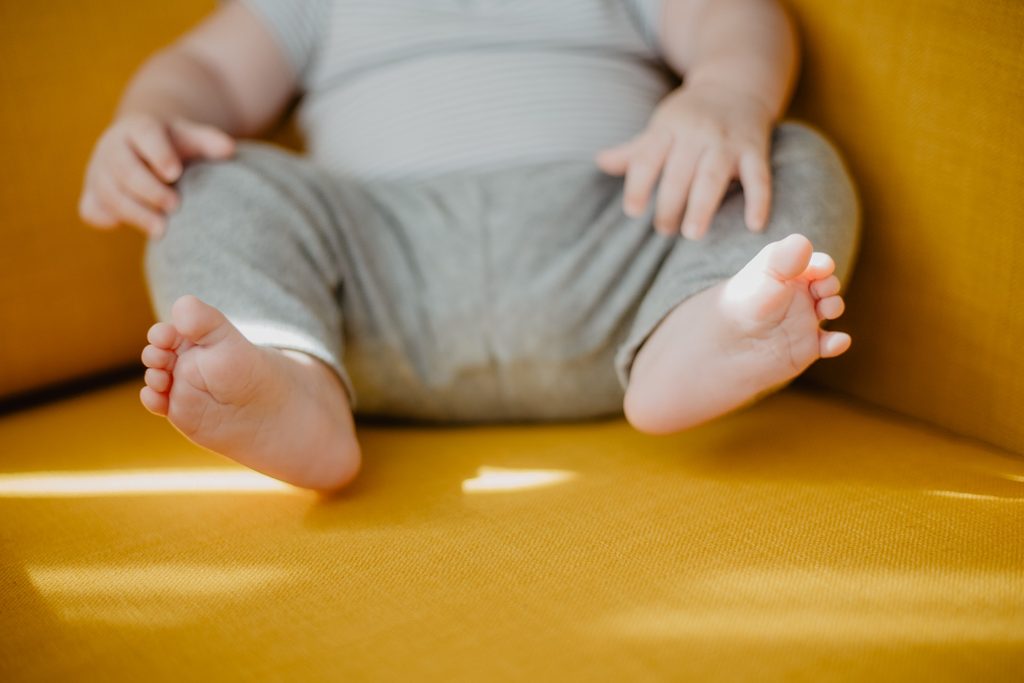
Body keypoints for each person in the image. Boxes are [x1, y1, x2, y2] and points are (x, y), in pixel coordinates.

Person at [78, 0, 859, 492]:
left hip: (618, 250)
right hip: (377, 286)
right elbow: (207, 68)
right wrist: (150, 118)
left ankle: (696, 326)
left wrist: (727, 92)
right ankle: (295, 376)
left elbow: (735, 15)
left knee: (784, 153)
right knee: (201, 177)